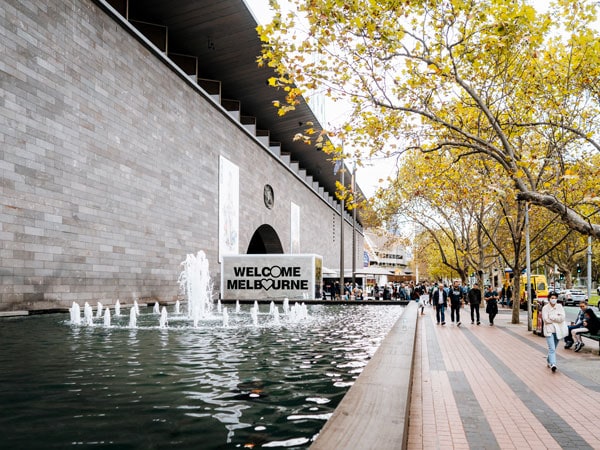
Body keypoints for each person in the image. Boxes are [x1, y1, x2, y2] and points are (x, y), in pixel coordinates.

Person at [542, 292, 567, 372]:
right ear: (549, 298)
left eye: (555, 298)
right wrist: (557, 318)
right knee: (552, 348)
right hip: (549, 330)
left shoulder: (559, 306)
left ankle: (549, 360)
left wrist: (552, 317)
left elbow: (562, 318)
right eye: (552, 298)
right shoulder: (545, 308)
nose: (553, 299)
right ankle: (553, 364)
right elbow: (545, 320)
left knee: (553, 348)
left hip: (558, 330)